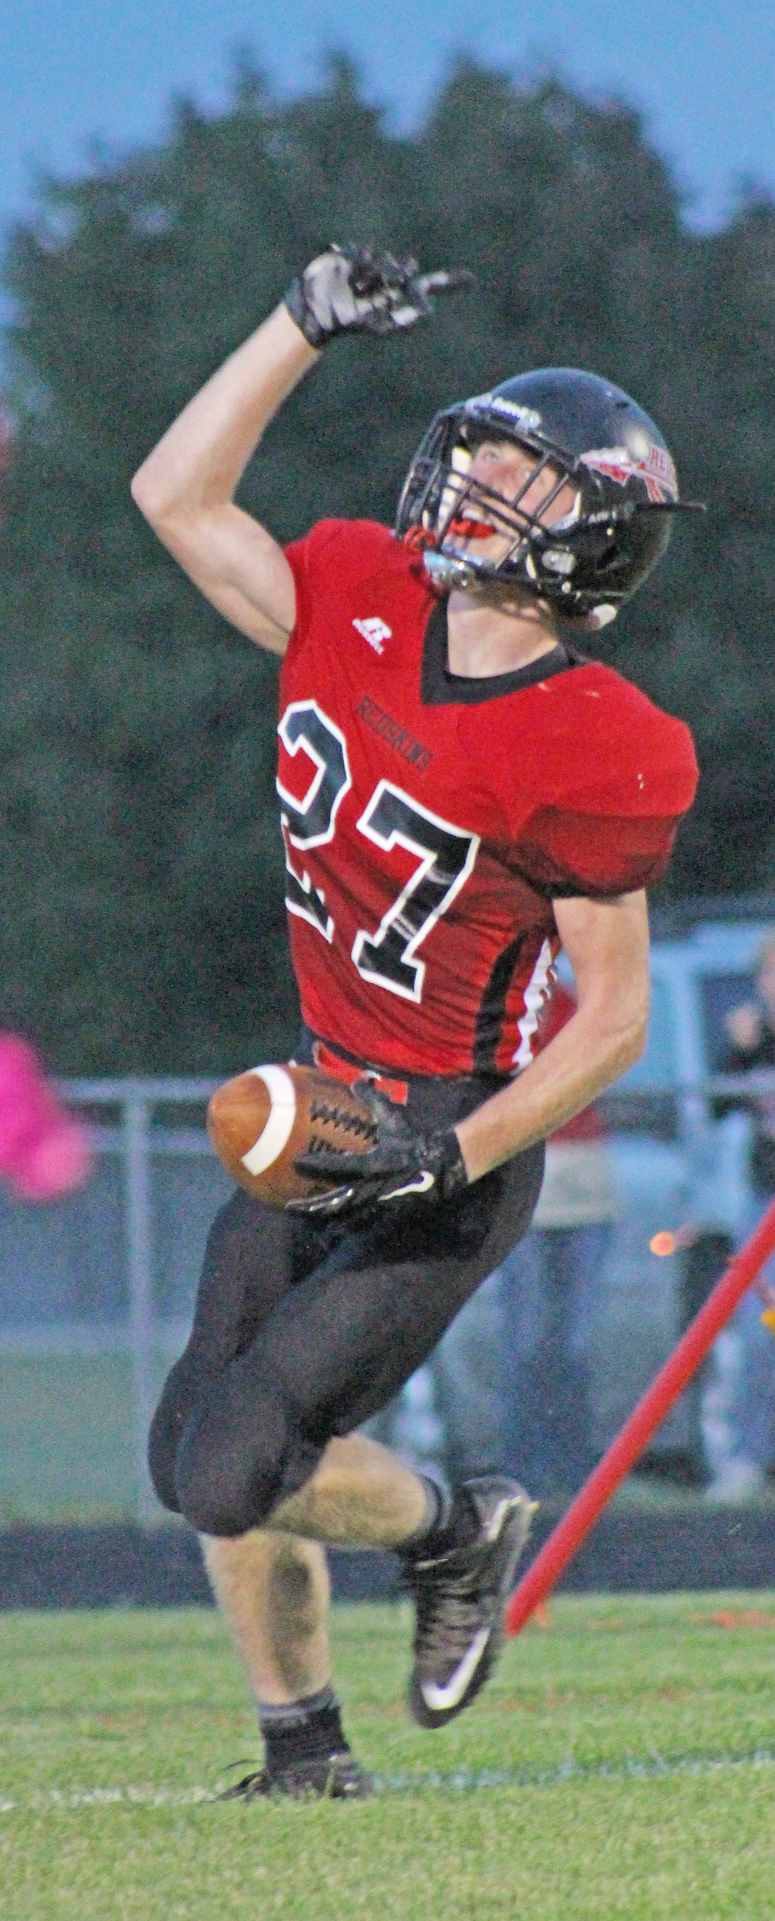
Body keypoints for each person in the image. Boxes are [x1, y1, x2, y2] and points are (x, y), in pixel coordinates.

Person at [131, 244, 698, 1799]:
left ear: (584, 536)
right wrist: (296, 325)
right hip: (321, 1093)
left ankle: (456, 1526)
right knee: (197, 1469)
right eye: (487, 450)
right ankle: (309, 1741)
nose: (477, 477)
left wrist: (444, 1162)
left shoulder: (596, 738)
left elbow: (614, 1022)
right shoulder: (356, 594)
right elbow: (173, 496)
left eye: (519, 470)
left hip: (451, 1130)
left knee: (238, 1459)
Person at [495, 982, 617, 1499]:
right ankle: (521, 1468)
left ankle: (574, 1468)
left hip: (585, 1194)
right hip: (528, 1194)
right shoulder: (493, 1012)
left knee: (574, 1341)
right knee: (525, 1339)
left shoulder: (575, 1003)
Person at [705, 933, 775, 1499]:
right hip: (765, 1200)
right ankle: (752, 1455)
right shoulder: (755, 1040)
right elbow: (716, 1105)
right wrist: (739, 1050)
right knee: (761, 1333)